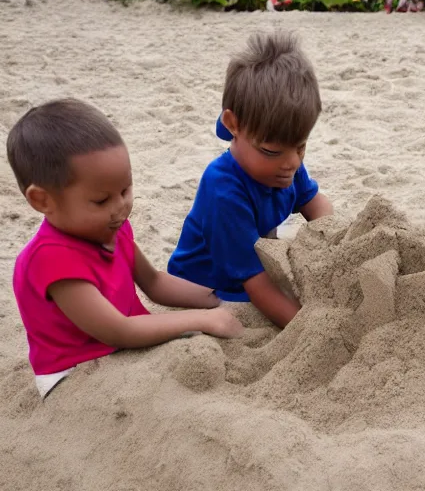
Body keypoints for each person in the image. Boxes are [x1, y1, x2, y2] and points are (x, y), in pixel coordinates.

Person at [7, 99, 244, 399]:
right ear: (43, 201)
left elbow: (155, 282)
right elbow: (116, 330)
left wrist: (218, 299)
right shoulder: (50, 259)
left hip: (125, 346)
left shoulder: (109, 227)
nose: (120, 208)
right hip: (76, 373)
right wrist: (201, 319)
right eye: (101, 201)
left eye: (125, 190)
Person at [168, 31, 334, 329]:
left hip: (253, 263)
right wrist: (307, 328)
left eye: (301, 147)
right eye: (272, 151)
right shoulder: (223, 190)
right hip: (210, 285)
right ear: (234, 125)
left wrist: (333, 241)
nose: (293, 163)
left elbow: (314, 203)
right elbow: (256, 284)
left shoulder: (285, 162)